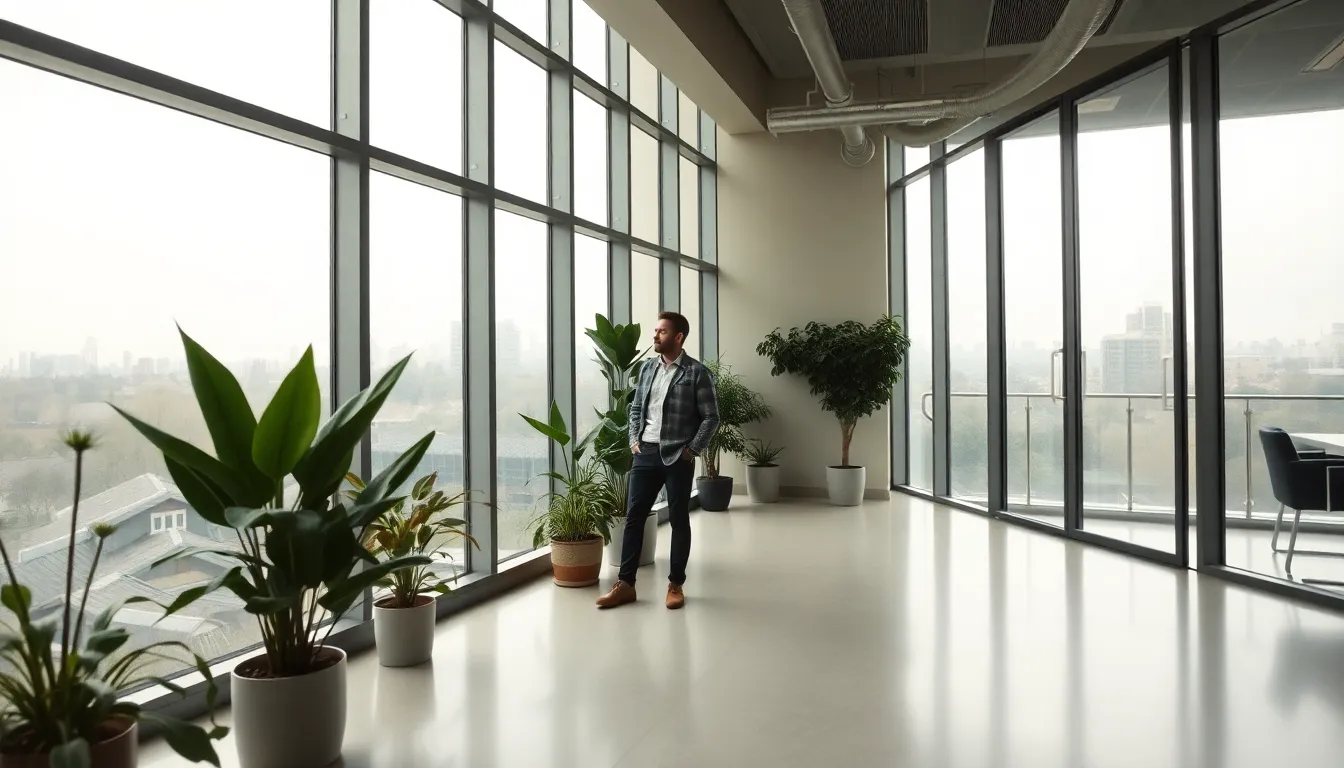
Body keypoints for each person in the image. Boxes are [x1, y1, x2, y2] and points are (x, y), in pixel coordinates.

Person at [596, 311, 719, 610]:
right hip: (646, 452)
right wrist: (633, 440)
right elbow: (636, 407)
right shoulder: (648, 368)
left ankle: (676, 583)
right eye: (655, 330)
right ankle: (625, 584)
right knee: (634, 516)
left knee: (678, 519)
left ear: (678, 337)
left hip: (678, 454)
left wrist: (692, 450)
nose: (655, 336)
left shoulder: (696, 372)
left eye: (662, 331)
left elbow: (711, 417)